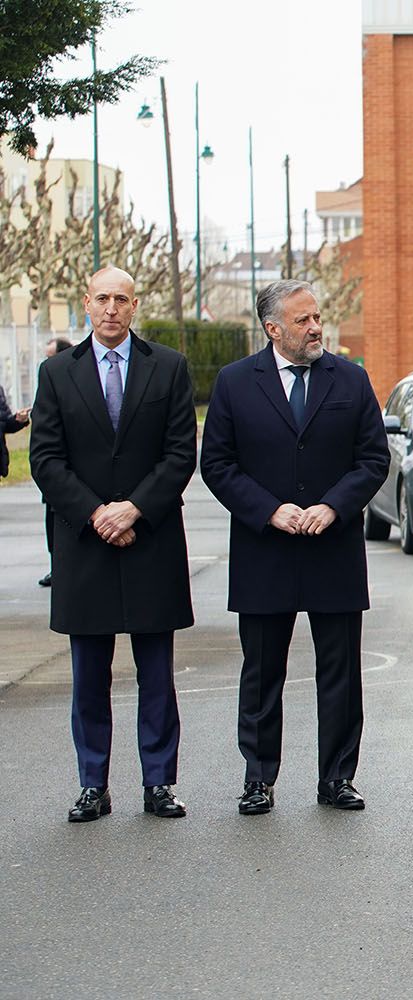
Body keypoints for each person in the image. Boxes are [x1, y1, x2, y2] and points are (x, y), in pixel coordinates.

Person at [200, 279, 389, 815]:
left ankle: (337, 778)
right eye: (303, 320)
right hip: (266, 551)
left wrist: (333, 506)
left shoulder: (350, 380)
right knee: (262, 673)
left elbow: (373, 459)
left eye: (317, 317)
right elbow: (216, 463)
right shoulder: (236, 382)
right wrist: (268, 510)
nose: (315, 327)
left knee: (340, 674)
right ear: (272, 328)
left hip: (333, 549)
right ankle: (258, 778)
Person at [28, 266, 196, 822]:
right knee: (88, 676)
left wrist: (134, 508)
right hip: (86, 544)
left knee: (157, 674)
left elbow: (179, 455)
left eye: (121, 299)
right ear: (85, 303)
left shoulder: (168, 368)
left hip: (150, 540)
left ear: (135, 305)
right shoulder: (57, 372)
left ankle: (159, 783)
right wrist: (97, 512)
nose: (111, 309)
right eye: (102, 299)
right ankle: (92, 785)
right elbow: (46, 459)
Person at [37, 335, 73, 588]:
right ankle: (56, 566)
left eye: (50, 355)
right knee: (53, 528)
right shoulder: (51, 376)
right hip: (63, 487)